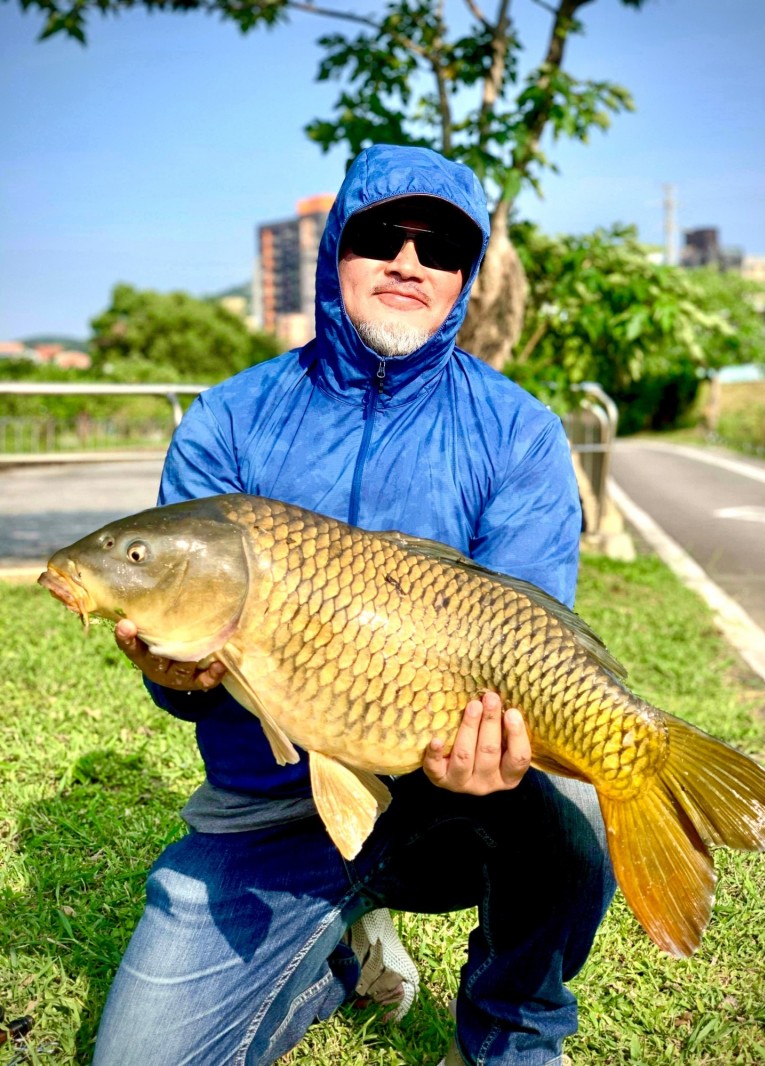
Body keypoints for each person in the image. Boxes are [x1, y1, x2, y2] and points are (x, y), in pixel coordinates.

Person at [92, 143, 616, 1066]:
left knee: (576, 796)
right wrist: (177, 677)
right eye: (381, 237)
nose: (409, 262)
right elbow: (181, 676)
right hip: (272, 804)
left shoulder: (518, 433)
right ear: (335, 249)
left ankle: (512, 1031)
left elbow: (535, 642)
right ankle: (339, 954)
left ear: (465, 278)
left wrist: (499, 745)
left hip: (448, 795)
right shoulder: (227, 422)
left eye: (440, 248)